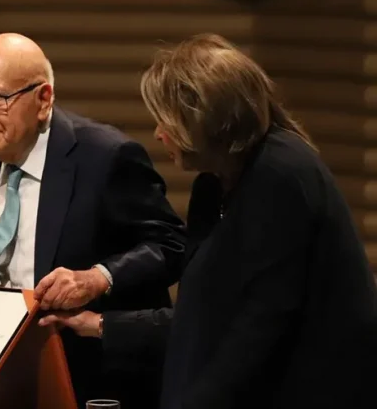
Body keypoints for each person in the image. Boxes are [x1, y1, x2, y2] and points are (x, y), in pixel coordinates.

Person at [41, 33, 377, 409]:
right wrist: (98, 325)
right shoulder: (213, 185)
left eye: (167, 120)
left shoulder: (281, 175)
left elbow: (257, 330)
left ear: (206, 119)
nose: (158, 133)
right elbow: (202, 316)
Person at [0, 33, 186, 408]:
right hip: (10, 370)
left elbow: (172, 246)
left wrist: (97, 278)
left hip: (91, 377)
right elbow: (14, 259)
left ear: (43, 99)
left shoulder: (106, 156)